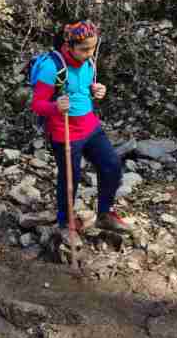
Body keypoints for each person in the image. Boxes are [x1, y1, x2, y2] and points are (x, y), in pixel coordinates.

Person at [31, 21, 132, 236]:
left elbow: (84, 89)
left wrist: (97, 90)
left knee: (112, 165)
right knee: (70, 178)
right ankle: (65, 220)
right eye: (84, 49)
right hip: (64, 129)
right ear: (69, 46)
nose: (90, 53)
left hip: (89, 124)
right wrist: (55, 106)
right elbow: (37, 104)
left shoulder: (88, 63)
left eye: (93, 48)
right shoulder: (52, 67)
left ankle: (105, 214)